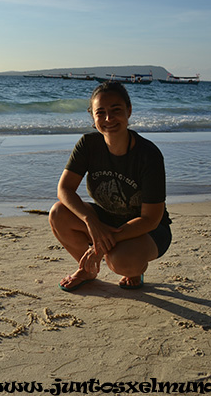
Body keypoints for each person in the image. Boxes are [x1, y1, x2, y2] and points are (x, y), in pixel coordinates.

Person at [49, 81, 171, 291]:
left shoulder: (148, 155)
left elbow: (151, 219)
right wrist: (90, 221)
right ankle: (87, 269)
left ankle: (135, 269)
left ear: (129, 111)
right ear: (92, 116)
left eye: (116, 110)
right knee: (58, 213)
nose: (108, 119)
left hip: (147, 229)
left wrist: (103, 243)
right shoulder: (88, 145)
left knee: (121, 262)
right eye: (101, 112)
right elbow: (64, 189)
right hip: (106, 218)